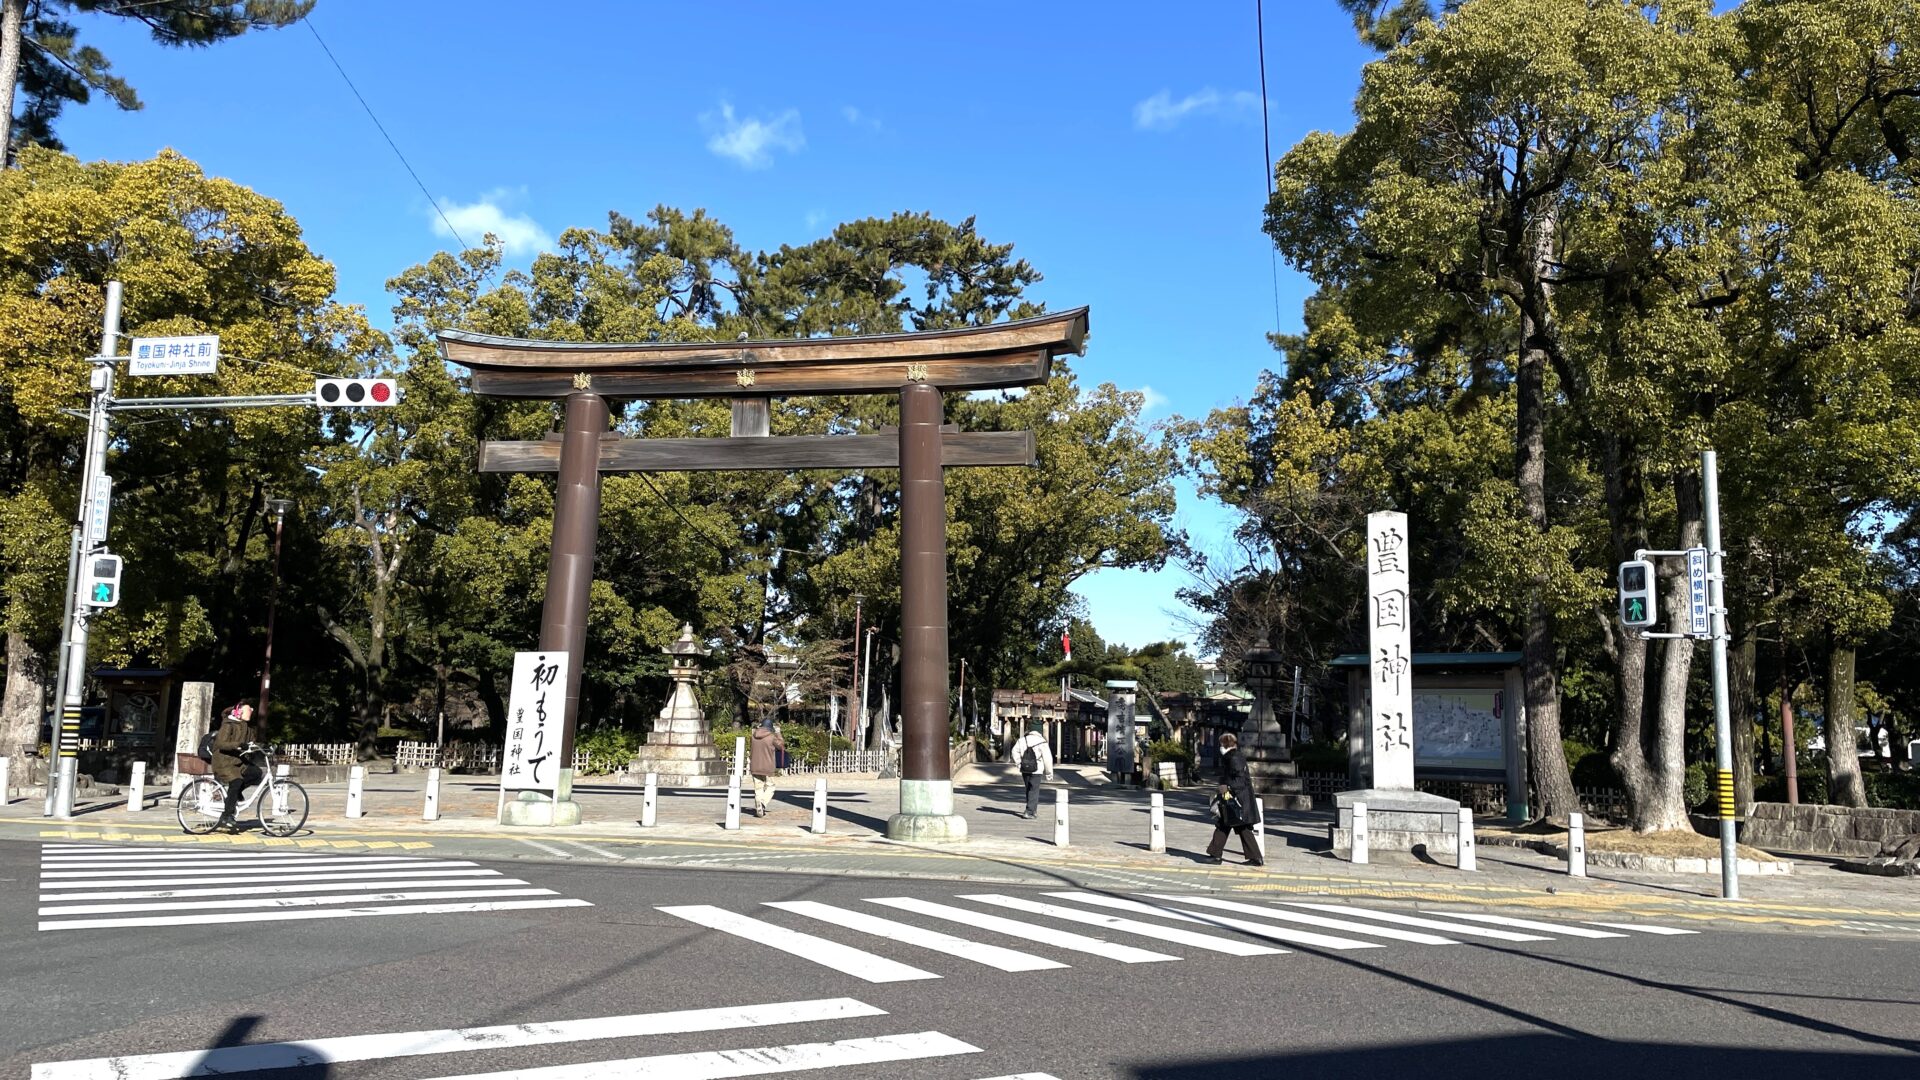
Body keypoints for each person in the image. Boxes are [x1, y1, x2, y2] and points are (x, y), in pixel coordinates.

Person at [1205, 732, 1264, 866]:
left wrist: (1225, 788)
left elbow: (1239, 780)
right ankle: (1216, 854)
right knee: (1226, 824)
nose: (1220, 747)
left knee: (1237, 825)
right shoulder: (1233, 756)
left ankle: (1255, 858)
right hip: (1235, 797)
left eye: (1221, 744)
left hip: (1237, 798)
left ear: (1225, 744)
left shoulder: (1234, 758)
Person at [212, 701, 261, 833]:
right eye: (247, 710)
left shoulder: (247, 728)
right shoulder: (228, 725)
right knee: (236, 781)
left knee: (256, 773)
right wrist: (239, 744)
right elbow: (221, 743)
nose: (251, 711)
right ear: (239, 712)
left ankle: (236, 793)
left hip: (238, 761)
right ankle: (227, 816)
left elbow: (251, 743)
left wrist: (259, 748)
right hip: (224, 761)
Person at [1008, 723, 1053, 819]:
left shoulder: (1022, 740)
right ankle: (1029, 811)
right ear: (1039, 731)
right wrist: (1049, 773)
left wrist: (1019, 763)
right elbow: (1047, 758)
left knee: (1028, 789)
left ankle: (1032, 809)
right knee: (1034, 790)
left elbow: (1014, 751)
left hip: (1025, 768)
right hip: (1037, 769)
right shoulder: (1042, 742)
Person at [749, 717, 785, 818]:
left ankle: (759, 806)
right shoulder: (772, 737)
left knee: (758, 788)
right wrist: (778, 733)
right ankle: (763, 803)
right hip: (768, 766)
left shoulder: (753, 736)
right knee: (770, 786)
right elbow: (781, 746)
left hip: (755, 765)